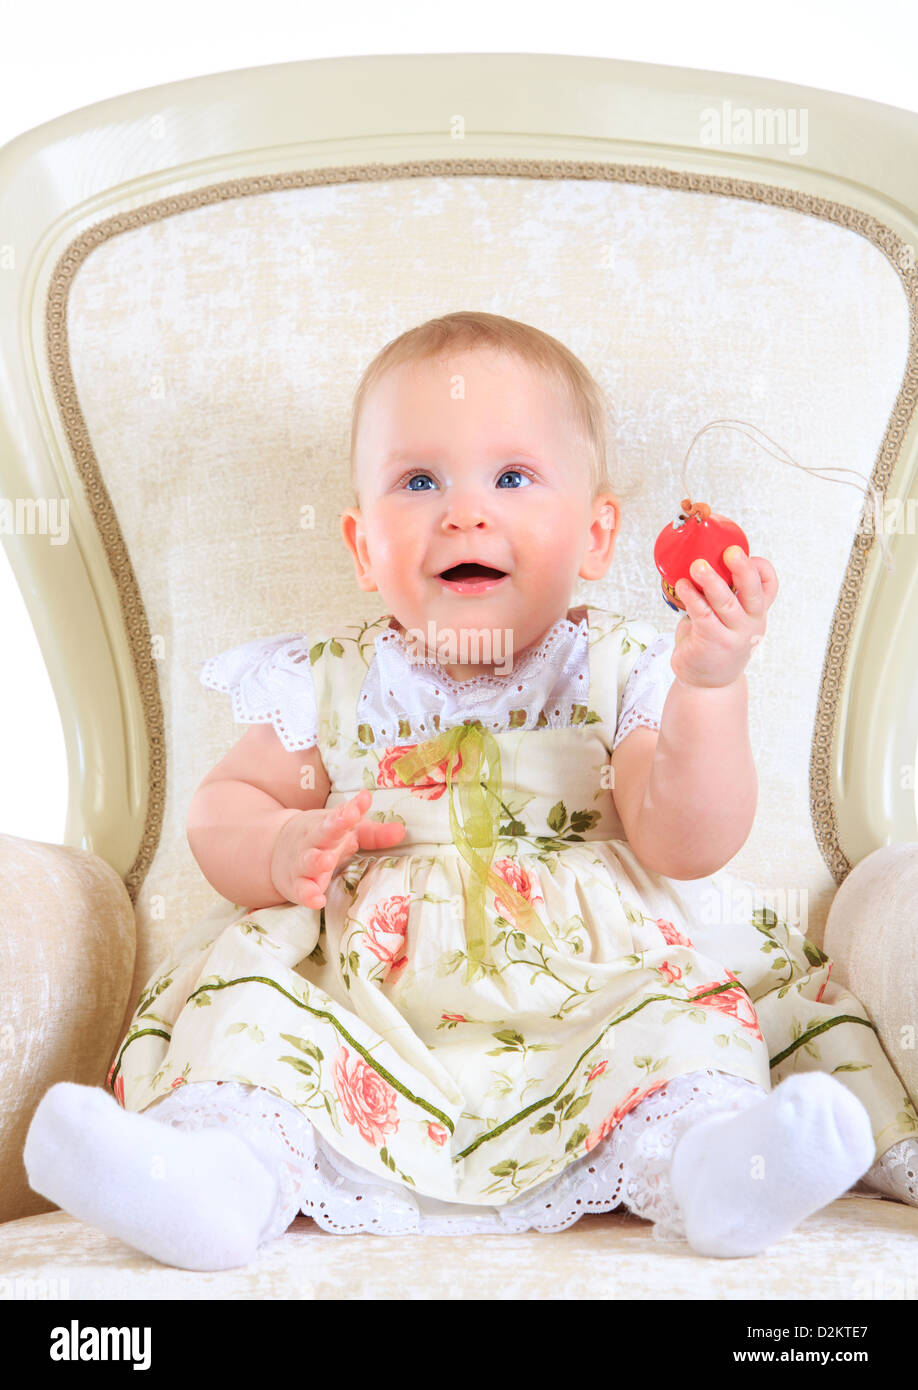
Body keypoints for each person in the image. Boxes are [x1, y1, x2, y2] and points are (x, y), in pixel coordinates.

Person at [23, 311, 918, 1271]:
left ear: (595, 535)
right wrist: (279, 844)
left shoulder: (617, 671)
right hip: (368, 999)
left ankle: (709, 1168)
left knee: (680, 1031)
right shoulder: (329, 679)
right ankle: (221, 1179)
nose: (464, 513)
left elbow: (687, 841)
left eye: (512, 477)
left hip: (593, 987)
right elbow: (222, 805)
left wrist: (708, 687)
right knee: (255, 1022)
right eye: (419, 482)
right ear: (364, 549)